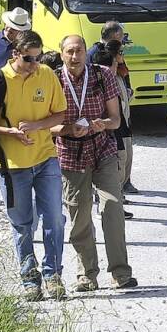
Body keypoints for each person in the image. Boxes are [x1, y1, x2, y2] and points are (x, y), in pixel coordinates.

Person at [0, 31, 69, 300]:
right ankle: (29, 277)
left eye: (37, 58)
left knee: (55, 219)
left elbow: (60, 112)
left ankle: (53, 274)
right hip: (11, 164)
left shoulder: (46, 75)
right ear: (15, 54)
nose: (34, 64)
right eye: (28, 59)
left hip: (46, 157)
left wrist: (38, 126)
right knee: (23, 223)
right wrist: (10, 133)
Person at [53, 35, 136, 291]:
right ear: (62, 53)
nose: (75, 56)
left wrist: (104, 124)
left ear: (85, 52)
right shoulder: (53, 79)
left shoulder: (102, 75)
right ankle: (87, 275)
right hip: (70, 152)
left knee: (112, 206)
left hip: (102, 147)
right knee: (79, 215)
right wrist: (67, 129)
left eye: (79, 51)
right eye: (69, 51)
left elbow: (116, 120)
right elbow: (46, 125)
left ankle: (121, 273)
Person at [89, 21, 138, 195]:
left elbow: (125, 75)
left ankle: (125, 183)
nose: (124, 41)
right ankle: (113, 190)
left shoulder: (117, 55)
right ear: (112, 36)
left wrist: (128, 89)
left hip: (122, 110)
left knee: (125, 150)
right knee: (117, 153)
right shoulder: (96, 54)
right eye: (121, 37)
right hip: (108, 116)